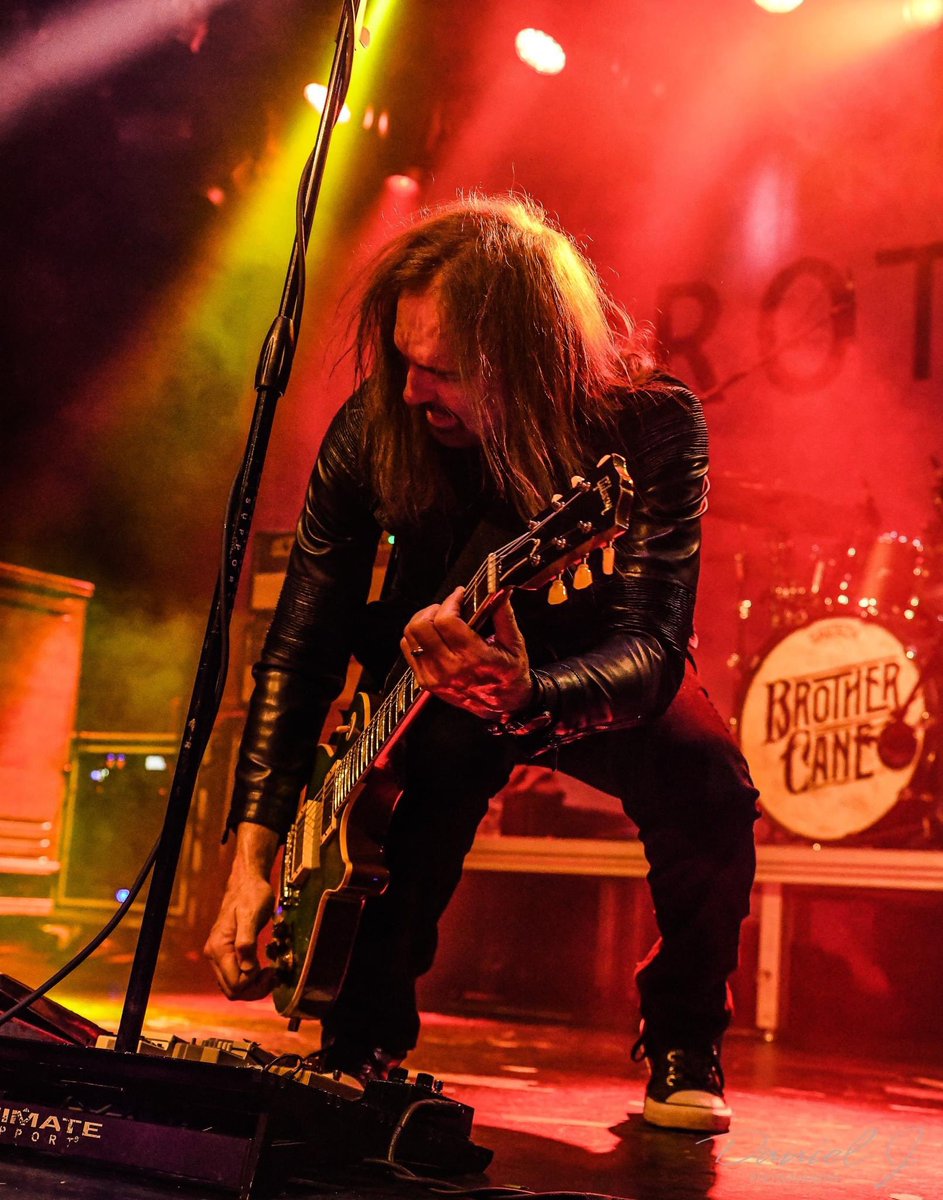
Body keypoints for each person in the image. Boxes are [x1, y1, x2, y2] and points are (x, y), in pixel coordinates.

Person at [204, 194, 760, 1134]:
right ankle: (360, 1041)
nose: (414, 391)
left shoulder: (650, 429)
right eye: (404, 361)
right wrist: (251, 858)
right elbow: (298, 648)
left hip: (587, 665)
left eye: (444, 371)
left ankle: (682, 1037)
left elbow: (655, 651)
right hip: (431, 683)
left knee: (707, 779)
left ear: (529, 364)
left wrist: (531, 689)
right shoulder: (373, 429)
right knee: (410, 802)